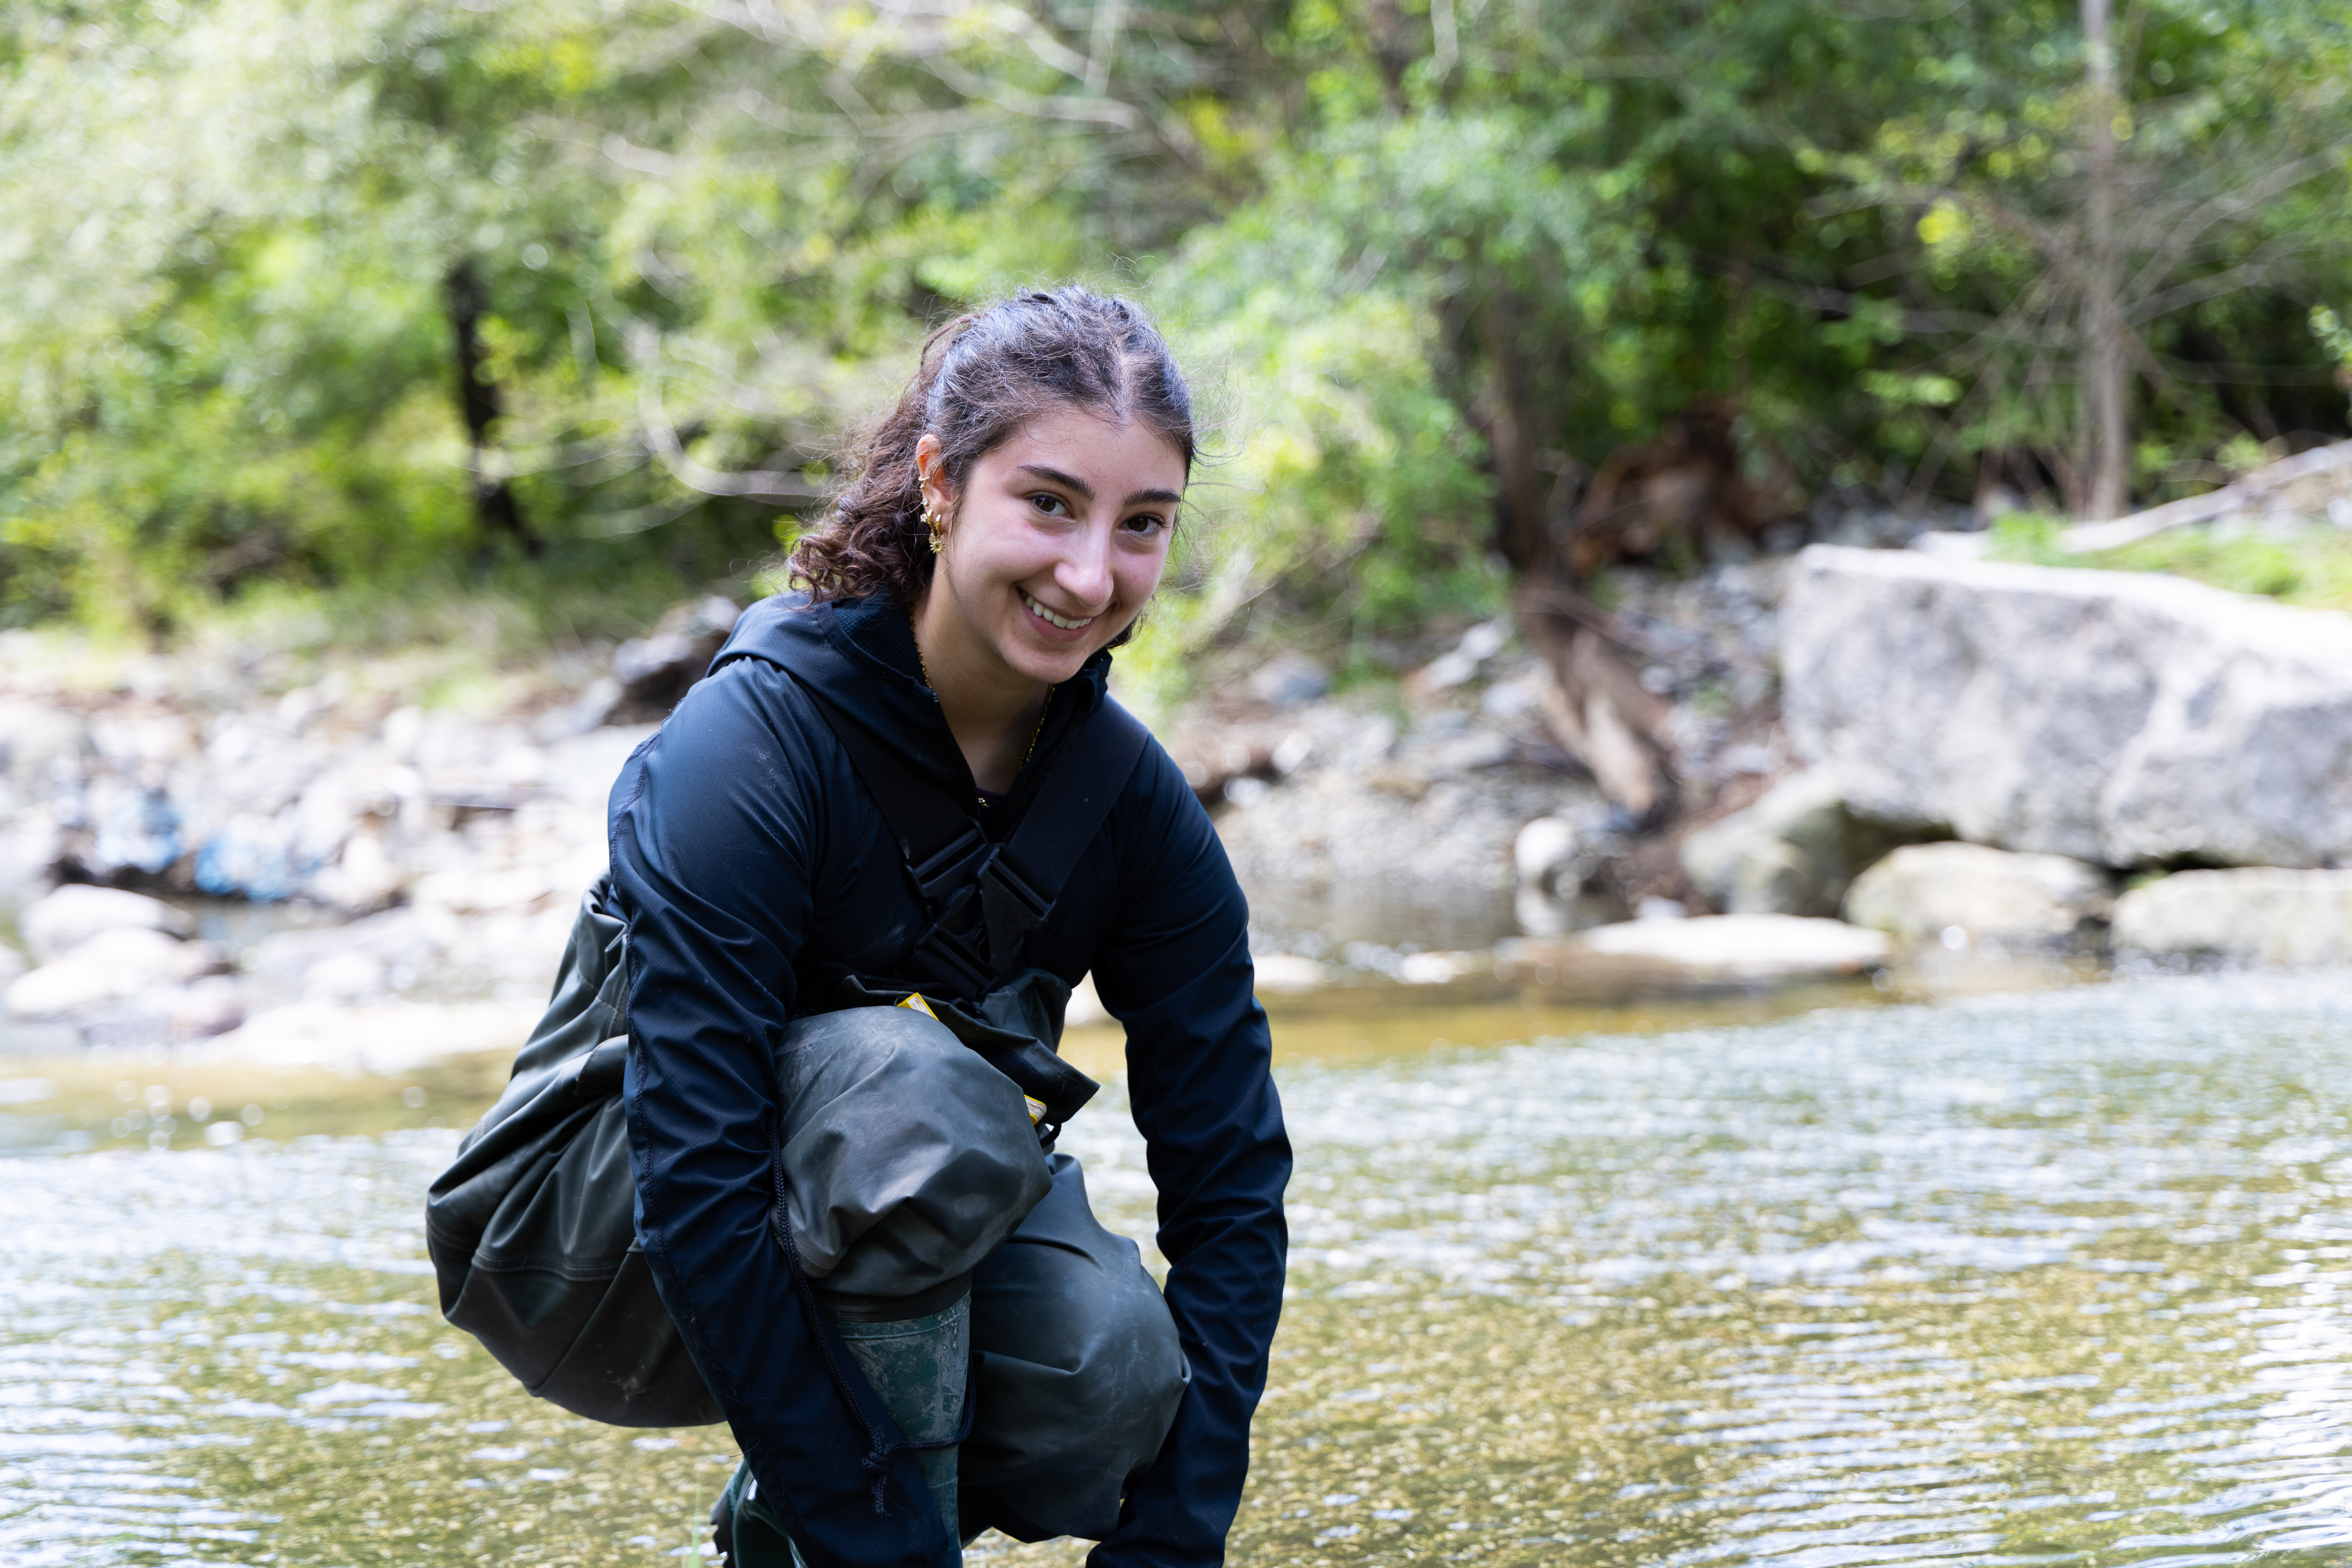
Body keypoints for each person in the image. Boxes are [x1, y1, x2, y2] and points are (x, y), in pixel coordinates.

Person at [606, 286, 1292, 1568]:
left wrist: (1176, 1540)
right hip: (610, 1236)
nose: (1092, 575)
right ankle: (835, 1528)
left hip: (886, 1206)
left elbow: (1233, 1181)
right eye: (1049, 503)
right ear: (938, 481)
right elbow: (691, 1185)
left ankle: (814, 1509)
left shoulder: (1132, 805)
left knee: (1113, 1363)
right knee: (912, 1097)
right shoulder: (749, 747)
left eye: (1142, 525)